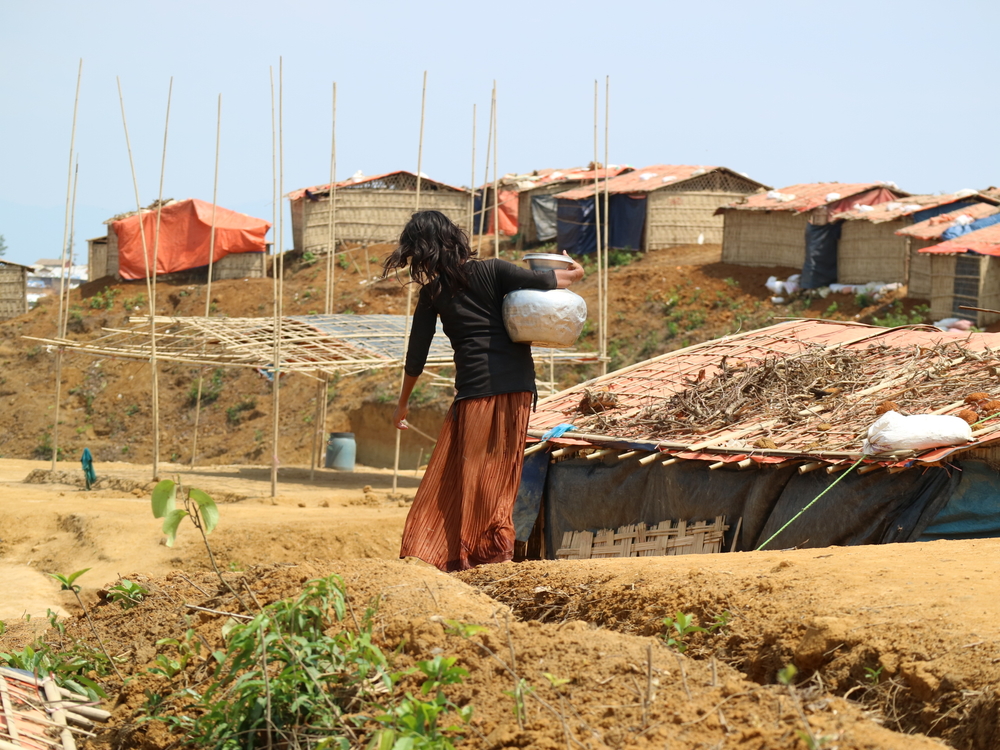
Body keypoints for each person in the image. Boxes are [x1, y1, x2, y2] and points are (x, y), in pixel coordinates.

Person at [383, 210, 584, 572]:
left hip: (475, 391)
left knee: (467, 474)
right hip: (517, 388)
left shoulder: (433, 294)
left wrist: (403, 404)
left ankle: (460, 554)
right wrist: (576, 269)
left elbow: (416, 354)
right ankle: (489, 555)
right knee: (498, 474)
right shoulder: (494, 270)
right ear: (454, 238)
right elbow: (560, 280)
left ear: (422, 251)